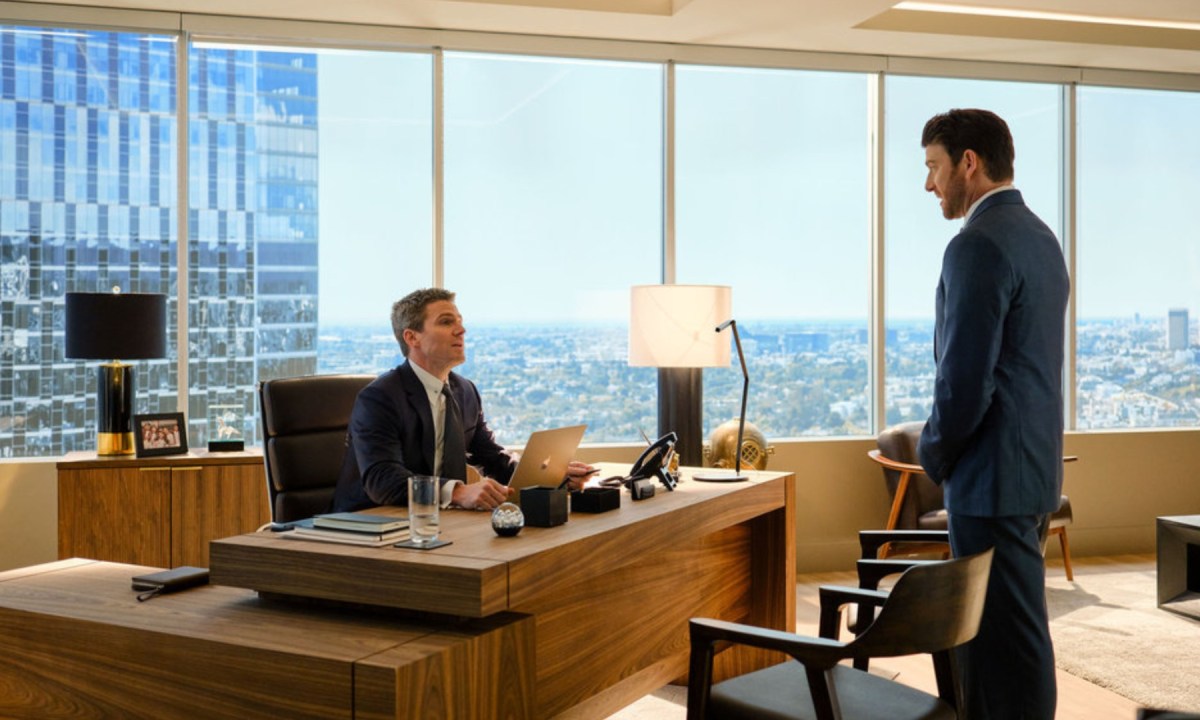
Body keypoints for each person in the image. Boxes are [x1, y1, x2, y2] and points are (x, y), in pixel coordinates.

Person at [916, 109, 1068, 719]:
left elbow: (964, 382)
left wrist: (935, 455)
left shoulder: (976, 245)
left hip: (990, 477)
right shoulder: (1039, 236)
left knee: (993, 646)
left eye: (933, 166)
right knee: (1018, 635)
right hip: (1032, 474)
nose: (929, 184)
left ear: (968, 164)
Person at [331, 288, 595, 513]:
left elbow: (492, 458)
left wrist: (550, 475)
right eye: (447, 322)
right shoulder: (380, 398)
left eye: (459, 321)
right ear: (412, 337)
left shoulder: (465, 391)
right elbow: (383, 481)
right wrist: (457, 493)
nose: (461, 330)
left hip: (439, 521)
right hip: (370, 524)